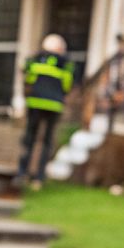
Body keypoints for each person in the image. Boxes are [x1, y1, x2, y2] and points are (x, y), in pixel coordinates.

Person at [17, 34, 74, 189]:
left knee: (30, 138)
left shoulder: (35, 59)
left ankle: (22, 173)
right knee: (47, 141)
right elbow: (67, 84)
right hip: (54, 105)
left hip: (35, 103)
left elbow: (28, 78)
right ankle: (39, 178)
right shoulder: (65, 63)